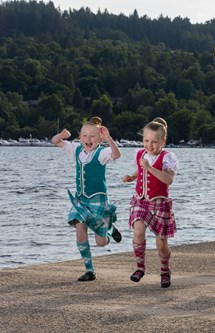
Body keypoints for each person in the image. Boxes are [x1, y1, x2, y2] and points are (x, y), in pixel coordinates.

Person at [51, 116, 122, 282]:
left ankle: (110, 229)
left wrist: (109, 138)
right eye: (84, 135)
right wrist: (61, 135)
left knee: (101, 243)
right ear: (80, 137)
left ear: (99, 138)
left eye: (92, 136)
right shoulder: (76, 150)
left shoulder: (102, 153)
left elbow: (117, 154)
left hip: (98, 201)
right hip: (81, 201)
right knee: (79, 228)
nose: (88, 139)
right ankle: (89, 270)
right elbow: (54, 141)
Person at [122, 117, 179, 288]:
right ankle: (140, 268)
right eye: (146, 140)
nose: (149, 145)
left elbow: (168, 180)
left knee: (161, 243)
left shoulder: (167, 157)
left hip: (160, 204)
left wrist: (150, 168)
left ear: (163, 141)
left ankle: (165, 270)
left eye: (154, 142)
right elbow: (141, 170)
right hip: (141, 200)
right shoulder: (140, 154)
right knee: (138, 232)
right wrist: (132, 176)